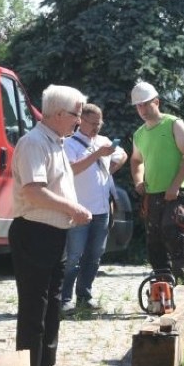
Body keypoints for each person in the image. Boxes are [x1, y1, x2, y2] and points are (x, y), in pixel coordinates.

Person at [9, 84, 93, 366]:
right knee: (34, 308)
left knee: (52, 306)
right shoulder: (33, 143)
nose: (80, 121)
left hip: (54, 234)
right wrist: (72, 209)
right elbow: (33, 190)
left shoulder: (56, 142)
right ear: (58, 114)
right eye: (77, 114)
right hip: (34, 233)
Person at [62, 103, 128, 312]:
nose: (97, 128)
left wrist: (109, 169)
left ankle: (85, 296)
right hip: (79, 209)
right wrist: (97, 155)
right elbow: (71, 170)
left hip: (102, 210)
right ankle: (64, 300)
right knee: (73, 257)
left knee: (95, 255)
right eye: (93, 123)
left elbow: (123, 155)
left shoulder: (103, 141)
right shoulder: (69, 144)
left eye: (99, 124)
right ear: (81, 121)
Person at [129, 81, 184, 283]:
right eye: (138, 105)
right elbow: (136, 160)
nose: (141, 109)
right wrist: (138, 180)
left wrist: (175, 185)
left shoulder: (174, 124)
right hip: (154, 192)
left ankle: (182, 279)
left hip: (178, 190)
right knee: (154, 239)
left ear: (156, 102)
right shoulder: (139, 134)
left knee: (172, 230)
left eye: (145, 104)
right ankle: (162, 281)